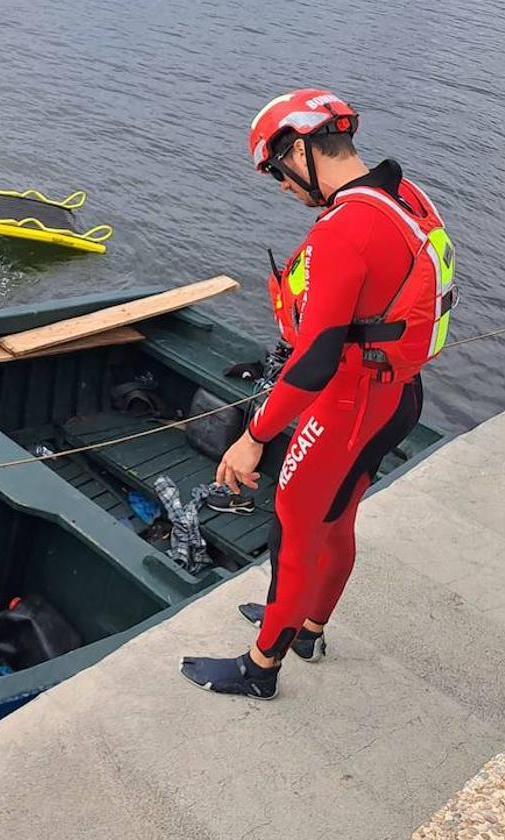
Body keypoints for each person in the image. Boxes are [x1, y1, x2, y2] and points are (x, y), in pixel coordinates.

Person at [180, 88, 457, 699]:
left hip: (351, 404)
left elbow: (315, 359)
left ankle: (260, 668)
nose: (279, 185)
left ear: (301, 149)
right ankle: (306, 628)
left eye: (276, 170)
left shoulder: (346, 229)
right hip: (400, 396)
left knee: (294, 528)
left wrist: (252, 439)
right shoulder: (404, 194)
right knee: (337, 519)